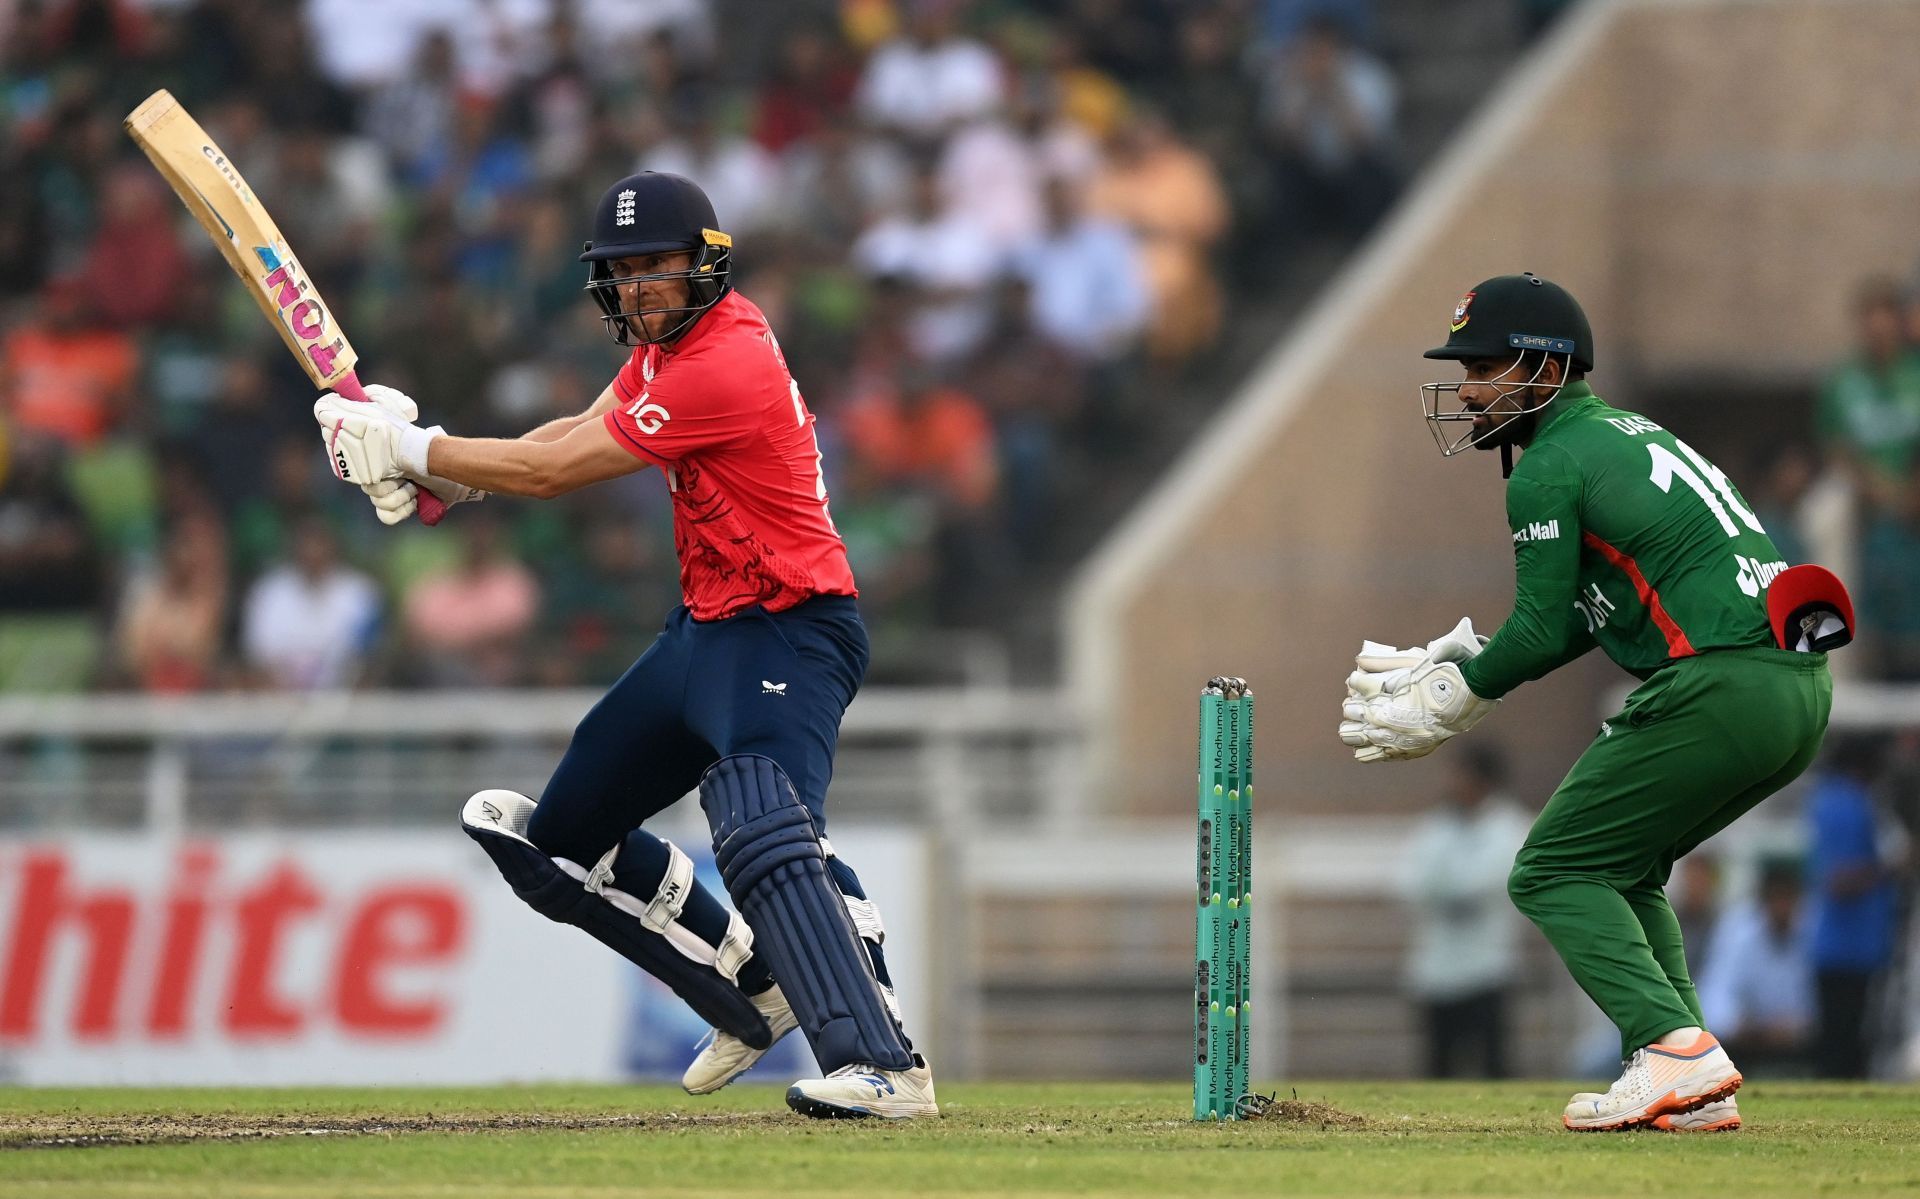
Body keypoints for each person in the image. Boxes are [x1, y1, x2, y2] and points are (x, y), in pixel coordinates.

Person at [309, 171, 935, 1118]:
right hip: (707, 631)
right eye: (625, 272)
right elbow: (574, 432)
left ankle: (885, 1064)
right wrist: (450, 474)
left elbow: (558, 471)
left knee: (762, 821)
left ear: (706, 268)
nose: (642, 289)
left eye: (659, 269)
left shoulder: (726, 359)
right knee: (559, 844)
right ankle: (746, 976)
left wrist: (416, 449)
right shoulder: (665, 350)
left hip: (793, 629)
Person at [1339, 273, 1848, 1132]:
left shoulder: (1547, 468)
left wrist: (1455, 698)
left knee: (1553, 868)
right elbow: (1590, 612)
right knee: (1624, 865)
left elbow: (1540, 632)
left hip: (1720, 681)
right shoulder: (1626, 431)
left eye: (1485, 364)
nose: (1466, 386)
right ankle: (1691, 1067)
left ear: (1545, 367)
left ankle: (1671, 1048)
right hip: (1793, 688)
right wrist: (1474, 658)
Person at [1398, 743, 1529, 1079]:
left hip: (1488, 970)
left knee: (1493, 1066)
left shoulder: (1509, 828)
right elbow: (1408, 883)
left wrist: (1445, 886)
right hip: (1437, 972)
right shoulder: (1436, 827)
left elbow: (1485, 882)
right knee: (1437, 1068)